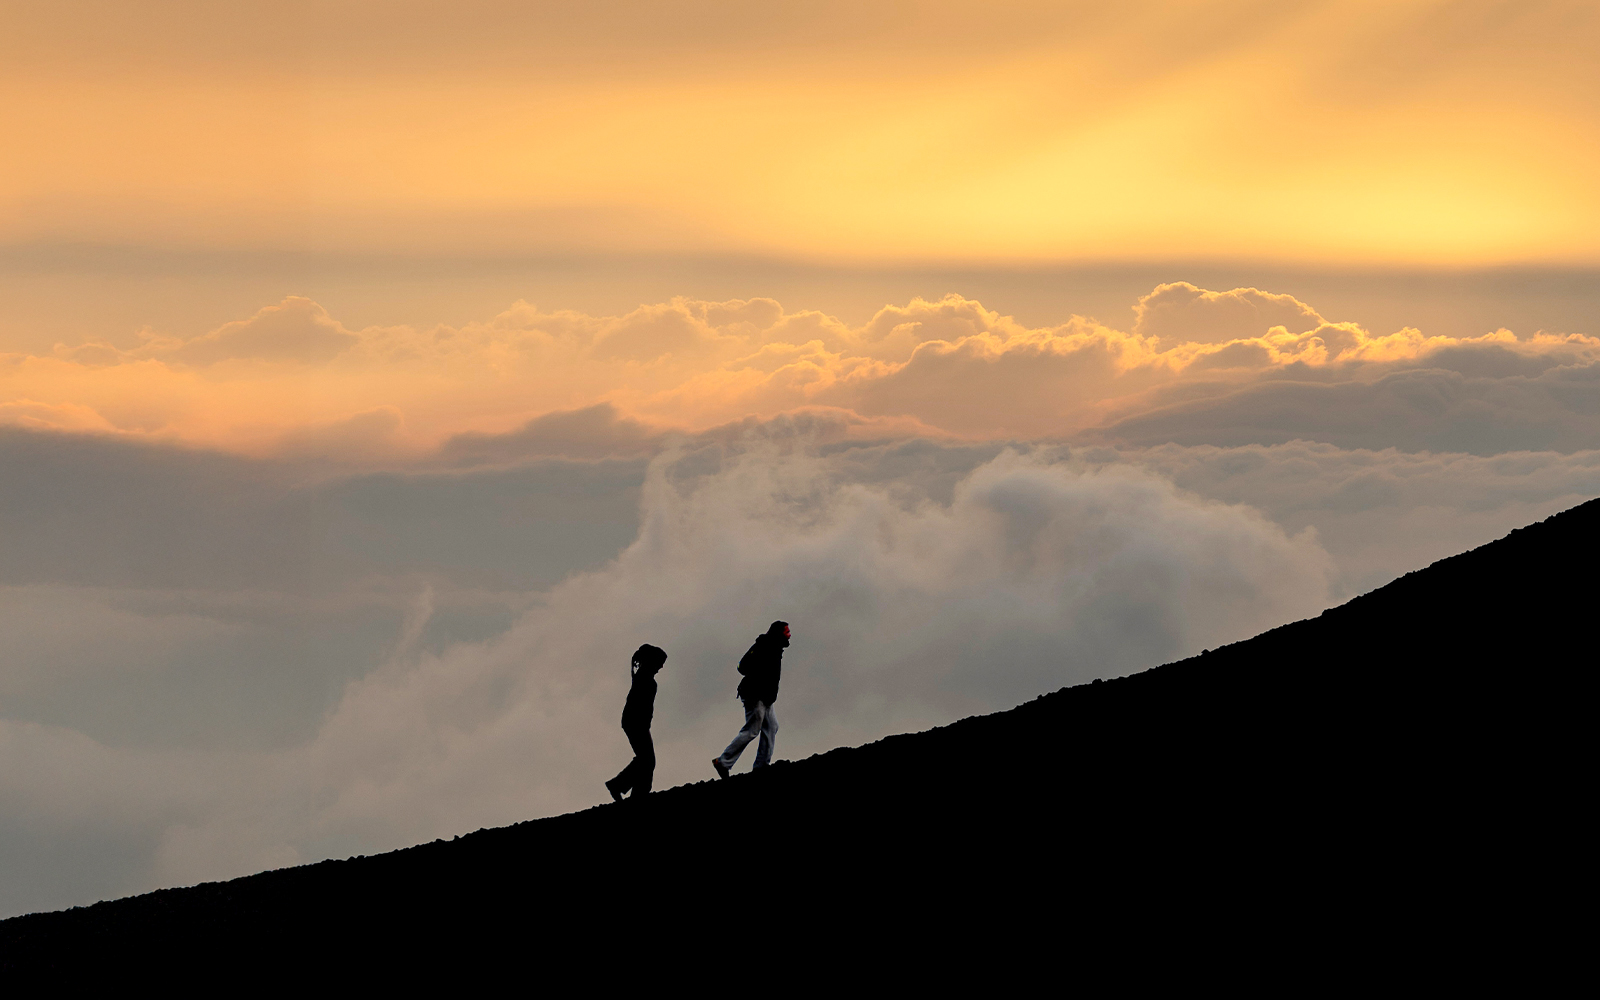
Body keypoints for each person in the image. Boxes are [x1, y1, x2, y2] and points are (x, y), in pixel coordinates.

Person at [712, 621, 789, 778]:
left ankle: (761, 765)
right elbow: (744, 667)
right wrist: (760, 683)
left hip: (765, 696)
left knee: (771, 726)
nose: (789, 634)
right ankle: (723, 762)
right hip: (756, 694)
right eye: (786, 631)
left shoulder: (773, 647)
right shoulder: (766, 646)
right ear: (778, 633)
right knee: (752, 729)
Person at [606, 644, 667, 802]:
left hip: (636, 722)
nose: (661, 666)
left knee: (646, 760)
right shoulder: (645, 678)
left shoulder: (644, 677)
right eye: (660, 662)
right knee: (647, 760)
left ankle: (637, 793)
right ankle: (620, 786)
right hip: (636, 722)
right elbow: (639, 704)